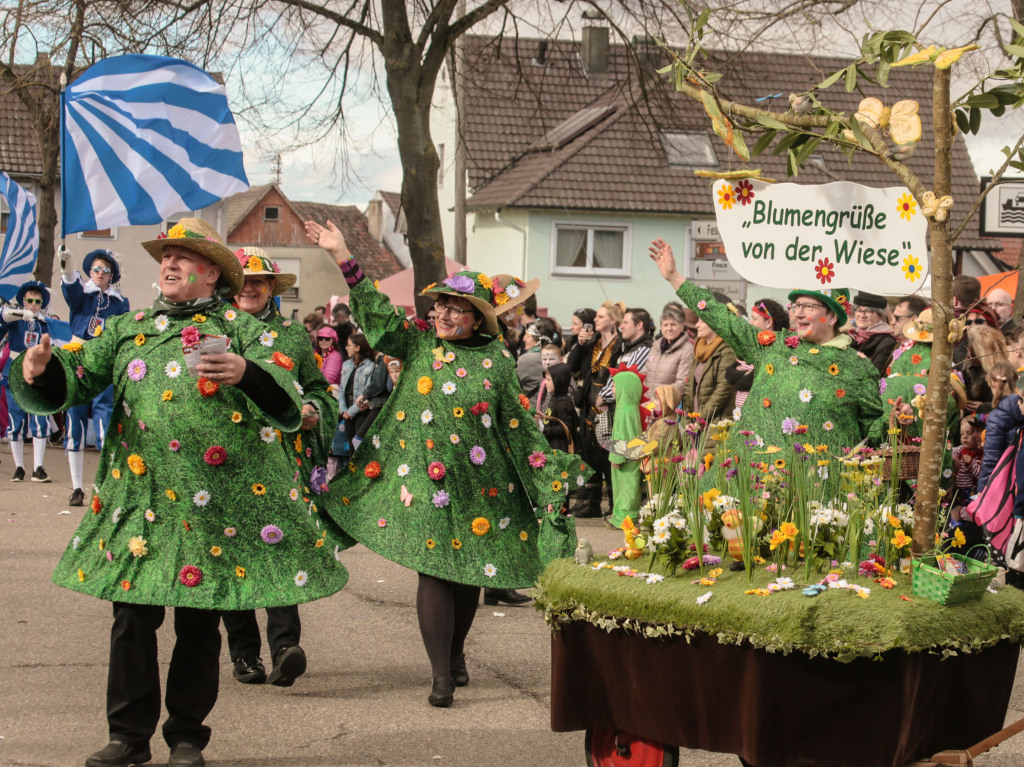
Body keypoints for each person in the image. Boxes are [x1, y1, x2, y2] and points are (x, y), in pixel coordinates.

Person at [10, 218, 349, 767]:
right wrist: (42, 370)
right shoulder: (129, 328)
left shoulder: (247, 331)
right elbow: (77, 376)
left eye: (184, 257)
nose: (169, 263)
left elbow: (293, 400)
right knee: (132, 620)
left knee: (198, 623)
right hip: (139, 502)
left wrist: (246, 372)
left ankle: (187, 736)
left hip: (216, 507)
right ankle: (128, 737)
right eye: (166, 255)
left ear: (212, 273)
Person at [305, 218, 586, 708]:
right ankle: (440, 674)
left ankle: (456, 656)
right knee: (434, 570)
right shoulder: (416, 346)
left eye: (455, 309)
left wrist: (550, 480)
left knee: (466, 575)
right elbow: (378, 314)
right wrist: (343, 256)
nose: (442, 314)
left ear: (477, 318)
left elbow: (518, 428)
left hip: (481, 489)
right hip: (425, 487)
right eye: (440, 306)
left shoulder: (496, 362)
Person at [649, 238, 894, 464]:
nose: (798, 313)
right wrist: (674, 278)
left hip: (817, 490)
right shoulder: (773, 345)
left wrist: (898, 422)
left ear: (832, 316)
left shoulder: (858, 367)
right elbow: (721, 316)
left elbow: (871, 433)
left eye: (808, 306)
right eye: (796, 305)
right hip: (755, 478)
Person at [220, 246, 339, 689]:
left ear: (272, 287)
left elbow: (319, 390)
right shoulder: (213, 330)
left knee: (280, 548)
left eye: (258, 280)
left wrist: (312, 407)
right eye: (242, 280)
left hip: (278, 464)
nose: (249, 287)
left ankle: (285, 648)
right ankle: (244, 654)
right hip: (225, 463)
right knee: (232, 555)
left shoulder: (291, 336)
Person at [60, 248, 132, 505]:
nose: (101, 274)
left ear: (112, 276)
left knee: (105, 422)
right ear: (90, 272)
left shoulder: (119, 302)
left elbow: (125, 328)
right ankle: (77, 488)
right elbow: (70, 289)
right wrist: (67, 268)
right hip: (78, 356)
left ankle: (106, 486)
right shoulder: (83, 295)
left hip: (103, 363)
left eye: (106, 270)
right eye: (97, 269)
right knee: (75, 421)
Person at [567, 300, 625, 518]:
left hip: (608, 408)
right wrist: (580, 344)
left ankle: (614, 504)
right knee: (589, 454)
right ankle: (591, 502)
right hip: (588, 407)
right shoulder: (593, 343)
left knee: (607, 455)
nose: (595, 320)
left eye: (600, 317)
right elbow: (571, 367)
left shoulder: (620, 344)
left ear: (613, 321)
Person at [1, 281, 56, 482]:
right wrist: (17, 313)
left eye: (37, 301)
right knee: (15, 421)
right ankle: (19, 467)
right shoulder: (15, 319)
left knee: (40, 420)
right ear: (24, 301)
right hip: (15, 374)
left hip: (38, 376)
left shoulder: (46, 323)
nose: (33, 304)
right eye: (30, 301)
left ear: (41, 303)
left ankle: (38, 468)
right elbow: (2, 315)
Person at [727, 299, 788, 414]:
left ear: (769, 322)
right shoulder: (751, 346)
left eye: (754, 318)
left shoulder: (776, 351)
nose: (750, 322)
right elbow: (729, 374)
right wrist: (745, 374)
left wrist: (742, 374)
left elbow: (742, 383)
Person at [607, 366, 647, 530]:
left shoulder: (624, 411)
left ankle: (624, 519)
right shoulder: (631, 408)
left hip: (625, 459)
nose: (612, 389)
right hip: (632, 457)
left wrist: (616, 457)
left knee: (625, 489)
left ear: (625, 388)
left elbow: (621, 436)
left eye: (615, 385)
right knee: (629, 487)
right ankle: (623, 517)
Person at [685, 308, 737, 422]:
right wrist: (688, 420)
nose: (697, 325)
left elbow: (722, 391)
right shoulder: (699, 350)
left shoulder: (727, 352)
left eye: (702, 321)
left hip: (716, 422)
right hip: (695, 421)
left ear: (715, 323)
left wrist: (701, 418)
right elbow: (689, 386)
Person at [849, 291, 897, 375]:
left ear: (881, 315)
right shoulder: (853, 336)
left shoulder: (887, 341)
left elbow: (874, 373)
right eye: (859, 310)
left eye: (868, 311)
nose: (862, 315)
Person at [516, 318, 556, 401]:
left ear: (539, 341)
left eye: (527, 336)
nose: (524, 339)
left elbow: (510, 386)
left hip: (530, 409)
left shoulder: (526, 360)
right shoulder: (555, 357)